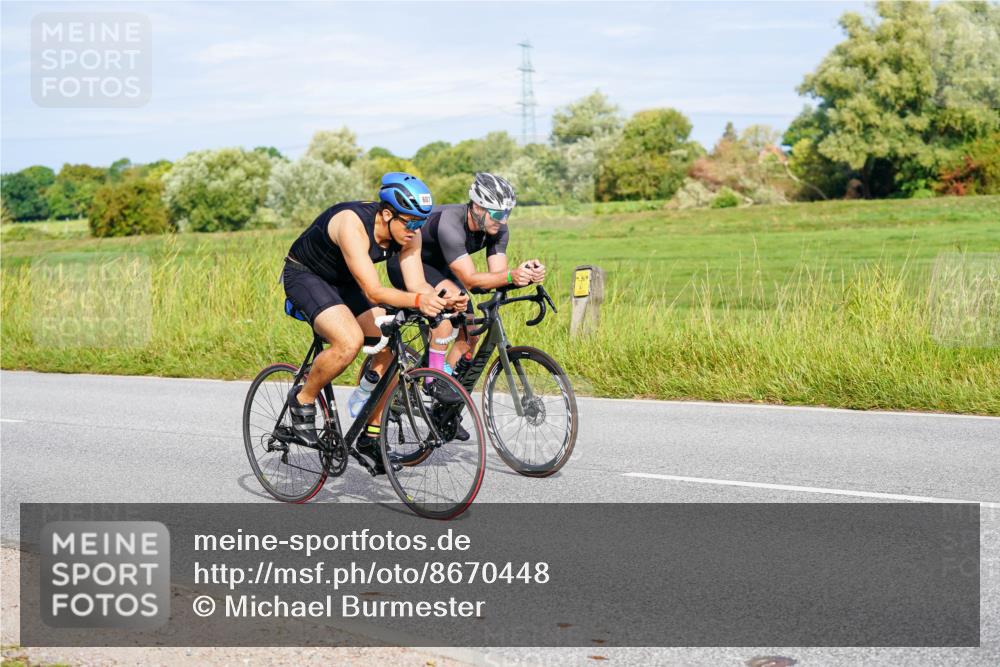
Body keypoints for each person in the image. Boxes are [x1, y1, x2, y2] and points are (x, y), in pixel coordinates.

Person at [282, 172, 467, 474]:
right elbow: (373, 291)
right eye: (410, 223)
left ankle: (370, 437)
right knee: (349, 341)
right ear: (387, 214)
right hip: (307, 275)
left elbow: (417, 285)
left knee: (390, 347)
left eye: (421, 223)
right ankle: (303, 398)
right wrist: (420, 301)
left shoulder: (410, 233)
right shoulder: (351, 224)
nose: (415, 230)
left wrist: (443, 300)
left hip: (345, 282)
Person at [386, 172, 545, 374]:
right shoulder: (450, 223)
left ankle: (447, 382)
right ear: (477, 208)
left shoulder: (498, 229)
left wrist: (524, 276)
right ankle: (432, 380)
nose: (503, 221)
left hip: (441, 267)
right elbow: (471, 281)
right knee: (446, 317)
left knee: (471, 333)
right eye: (498, 214)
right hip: (407, 263)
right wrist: (509, 276)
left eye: (507, 214)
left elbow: (498, 276)